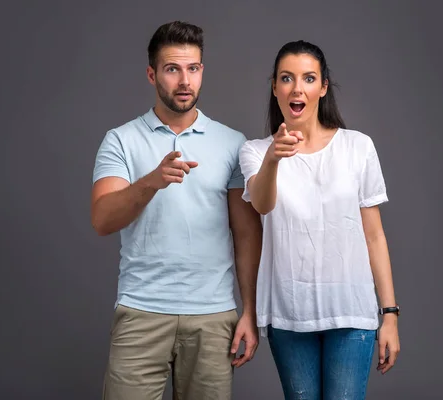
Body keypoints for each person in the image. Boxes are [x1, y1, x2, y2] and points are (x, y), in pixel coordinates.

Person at [91, 21, 262, 400]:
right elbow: (102, 219)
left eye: (193, 68)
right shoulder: (121, 140)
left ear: (202, 71)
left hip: (213, 315)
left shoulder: (232, 143)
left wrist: (249, 312)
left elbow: (246, 233)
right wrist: (151, 181)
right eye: (172, 69)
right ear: (152, 74)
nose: (185, 81)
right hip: (140, 311)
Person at [238, 40, 401, 399]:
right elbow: (263, 205)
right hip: (288, 314)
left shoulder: (357, 147)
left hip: (351, 314)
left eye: (308, 78)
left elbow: (374, 236)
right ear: (275, 87)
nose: (297, 88)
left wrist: (389, 314)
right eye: (287, 78)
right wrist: (274, 160)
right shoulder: (255, 152)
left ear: (323, 87)